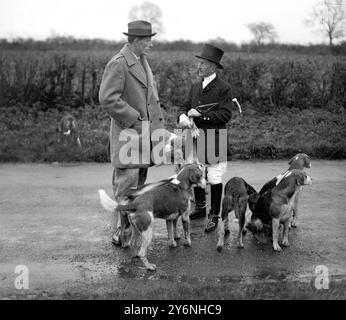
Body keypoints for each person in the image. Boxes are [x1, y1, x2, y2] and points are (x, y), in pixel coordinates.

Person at [99, 20, 165, 246]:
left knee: (138, 188)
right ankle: (120, 231)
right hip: (129, 136)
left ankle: (130, 230)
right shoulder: (118, 63)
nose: (151, 45)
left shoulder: (142, 61)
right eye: (148, 41)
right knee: (125, 188)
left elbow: (151, 100)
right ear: (136, 41)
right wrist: (134, 118)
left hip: (144, 136)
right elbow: (107, 99)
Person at [178, 44, 234, 233]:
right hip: (195, 138)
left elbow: (226, 115)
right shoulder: (195, 86)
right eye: (199, 63)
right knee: (197, 171)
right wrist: (182, 117)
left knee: (214, 176)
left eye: (203, 63)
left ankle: (214, 215)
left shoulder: (223, 88)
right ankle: (200, 208)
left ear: (212, 66)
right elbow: (184, 105)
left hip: (214, 137)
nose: (199, 66)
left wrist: (201, 116)